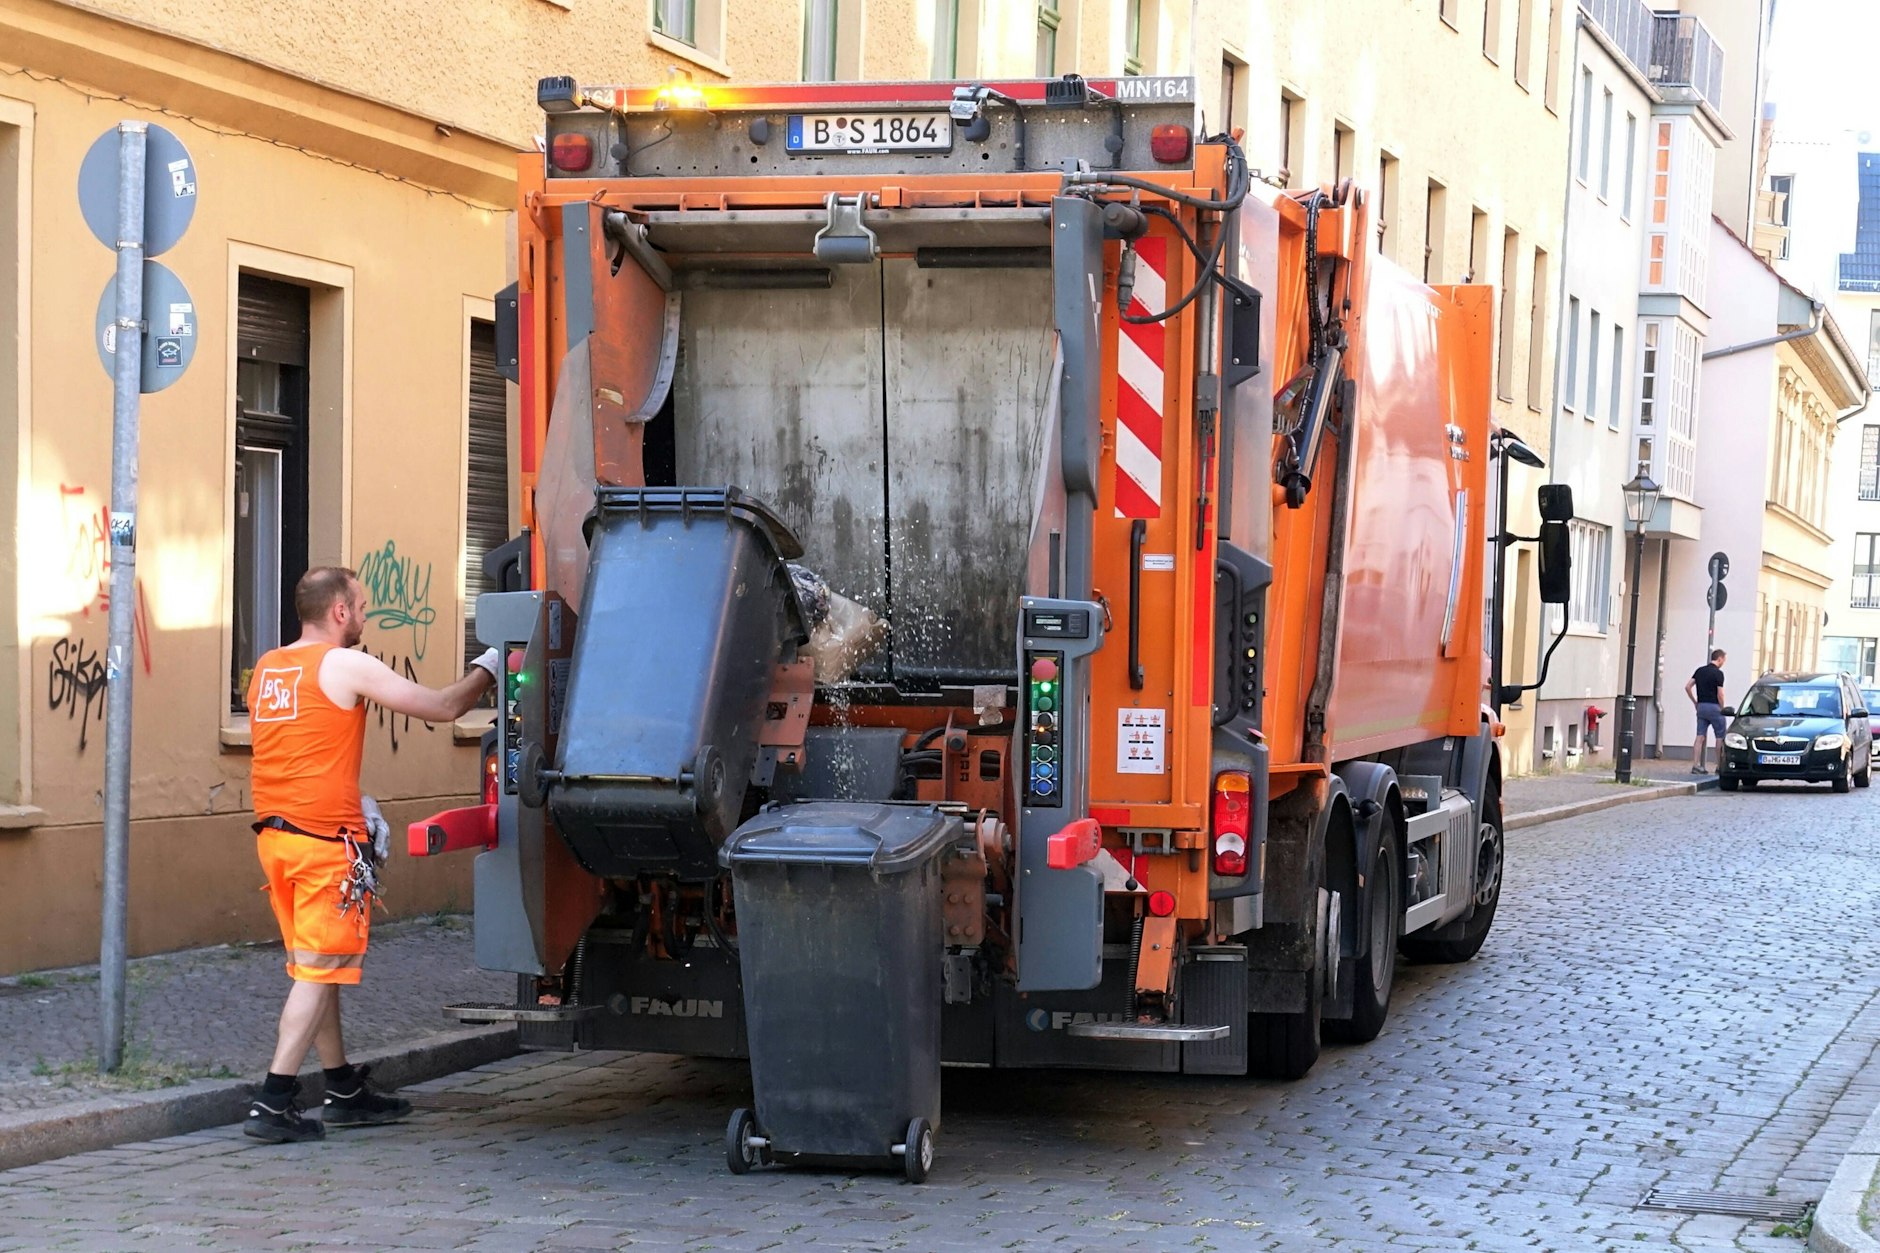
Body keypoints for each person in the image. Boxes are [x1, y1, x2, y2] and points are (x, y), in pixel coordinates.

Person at [244, 566, 501, 1143]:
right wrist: (490, 665)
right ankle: (273, 1100)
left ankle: (342, 1089)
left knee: (320, 963)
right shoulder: (343, 663)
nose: (365, 617)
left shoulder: (268, 668)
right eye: (360, 607)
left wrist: (354, 795)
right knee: (318, 969)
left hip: (277, 841)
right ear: (338, 611)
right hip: (322, 846)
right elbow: (441, 708)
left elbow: (297, 748)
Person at [1685, 649, 1728, 776]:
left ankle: (1695, 765)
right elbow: (1720, 694)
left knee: (1700, 737)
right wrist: (1722, 708)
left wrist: (1695, 702)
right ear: (1719, 659)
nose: (1723, 663)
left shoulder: (1700, 671)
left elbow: (1687, 686)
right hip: (1715, 707)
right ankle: (1719, 766)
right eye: (1724, 660)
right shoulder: (1718, 674)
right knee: (1720, 737)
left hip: (1701, 707)